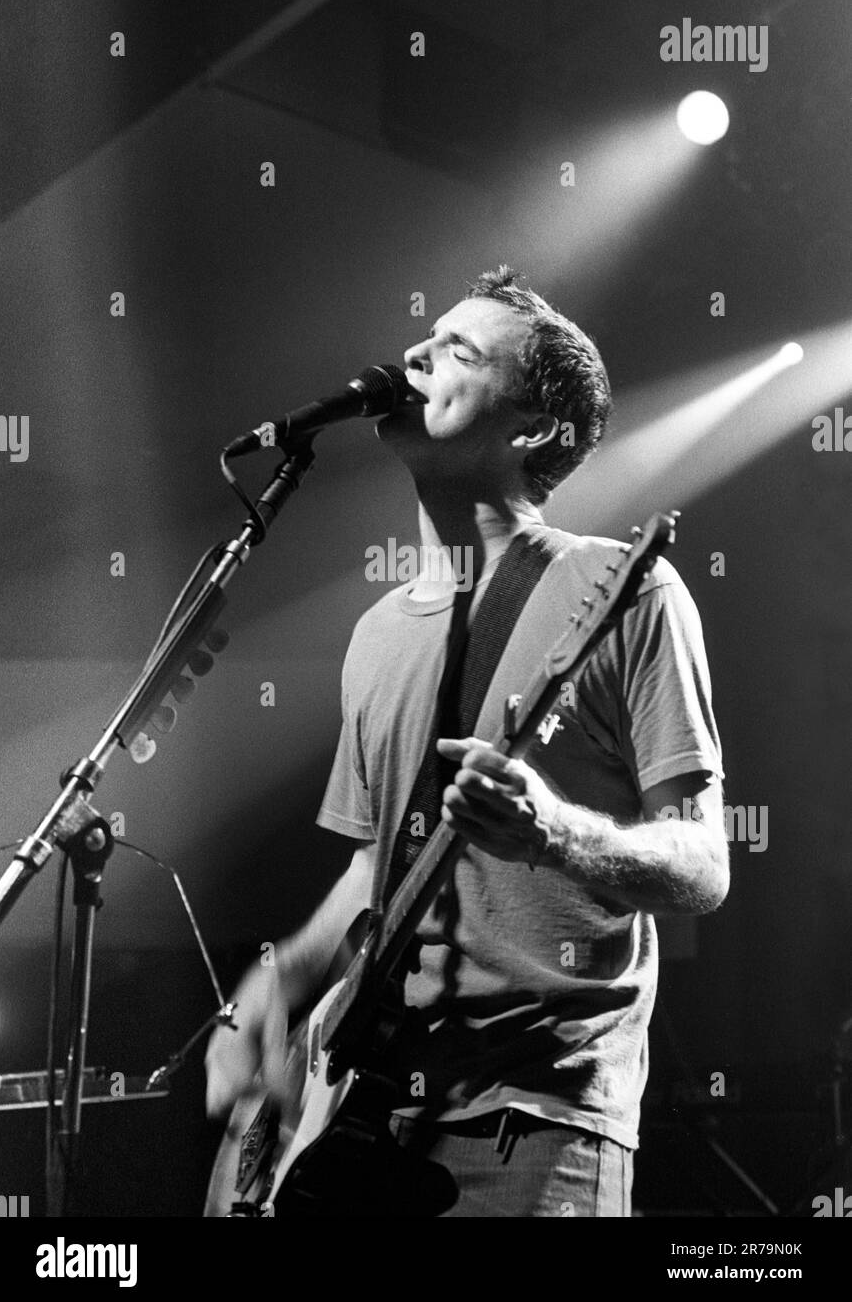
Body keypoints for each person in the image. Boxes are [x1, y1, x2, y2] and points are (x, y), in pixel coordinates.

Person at [205, 265, 729, 1217]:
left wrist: (555, 832)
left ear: (531, 430)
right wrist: (278, 980)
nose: (413, 356)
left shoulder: (623, 591)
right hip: (359, 1115)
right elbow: (381, 871)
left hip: (532, 1123)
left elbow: (703, 863)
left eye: (459, 350)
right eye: (424, 337)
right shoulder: (376, 631)